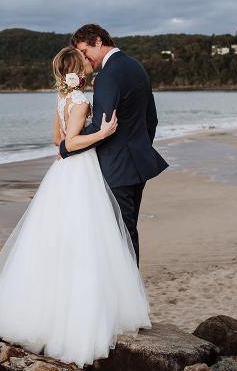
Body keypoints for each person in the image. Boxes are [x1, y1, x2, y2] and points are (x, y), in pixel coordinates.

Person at [0, 46, 152, 369]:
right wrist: (101, 133)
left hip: (61, 175)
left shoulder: (61, 99)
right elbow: (69, 144)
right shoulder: (82, 101)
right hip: (80, 172)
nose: (88, 64)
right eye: (84, 61)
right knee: (84, 239)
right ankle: (78, 317)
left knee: (55, 240)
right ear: (79, 70)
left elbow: (56, 139)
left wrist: (71, 142)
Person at [60, 24, 169, 266]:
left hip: (115, 169)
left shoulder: (107, 76)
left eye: (85, 51)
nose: (85, 58)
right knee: (128, 232)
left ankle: (127, 298)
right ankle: (130, 295)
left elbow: (103, 126)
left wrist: (67, 145)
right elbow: (151, 119)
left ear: (98, 41)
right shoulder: (136, 67)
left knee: (117, 236)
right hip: (137, 165)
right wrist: (138, 148)